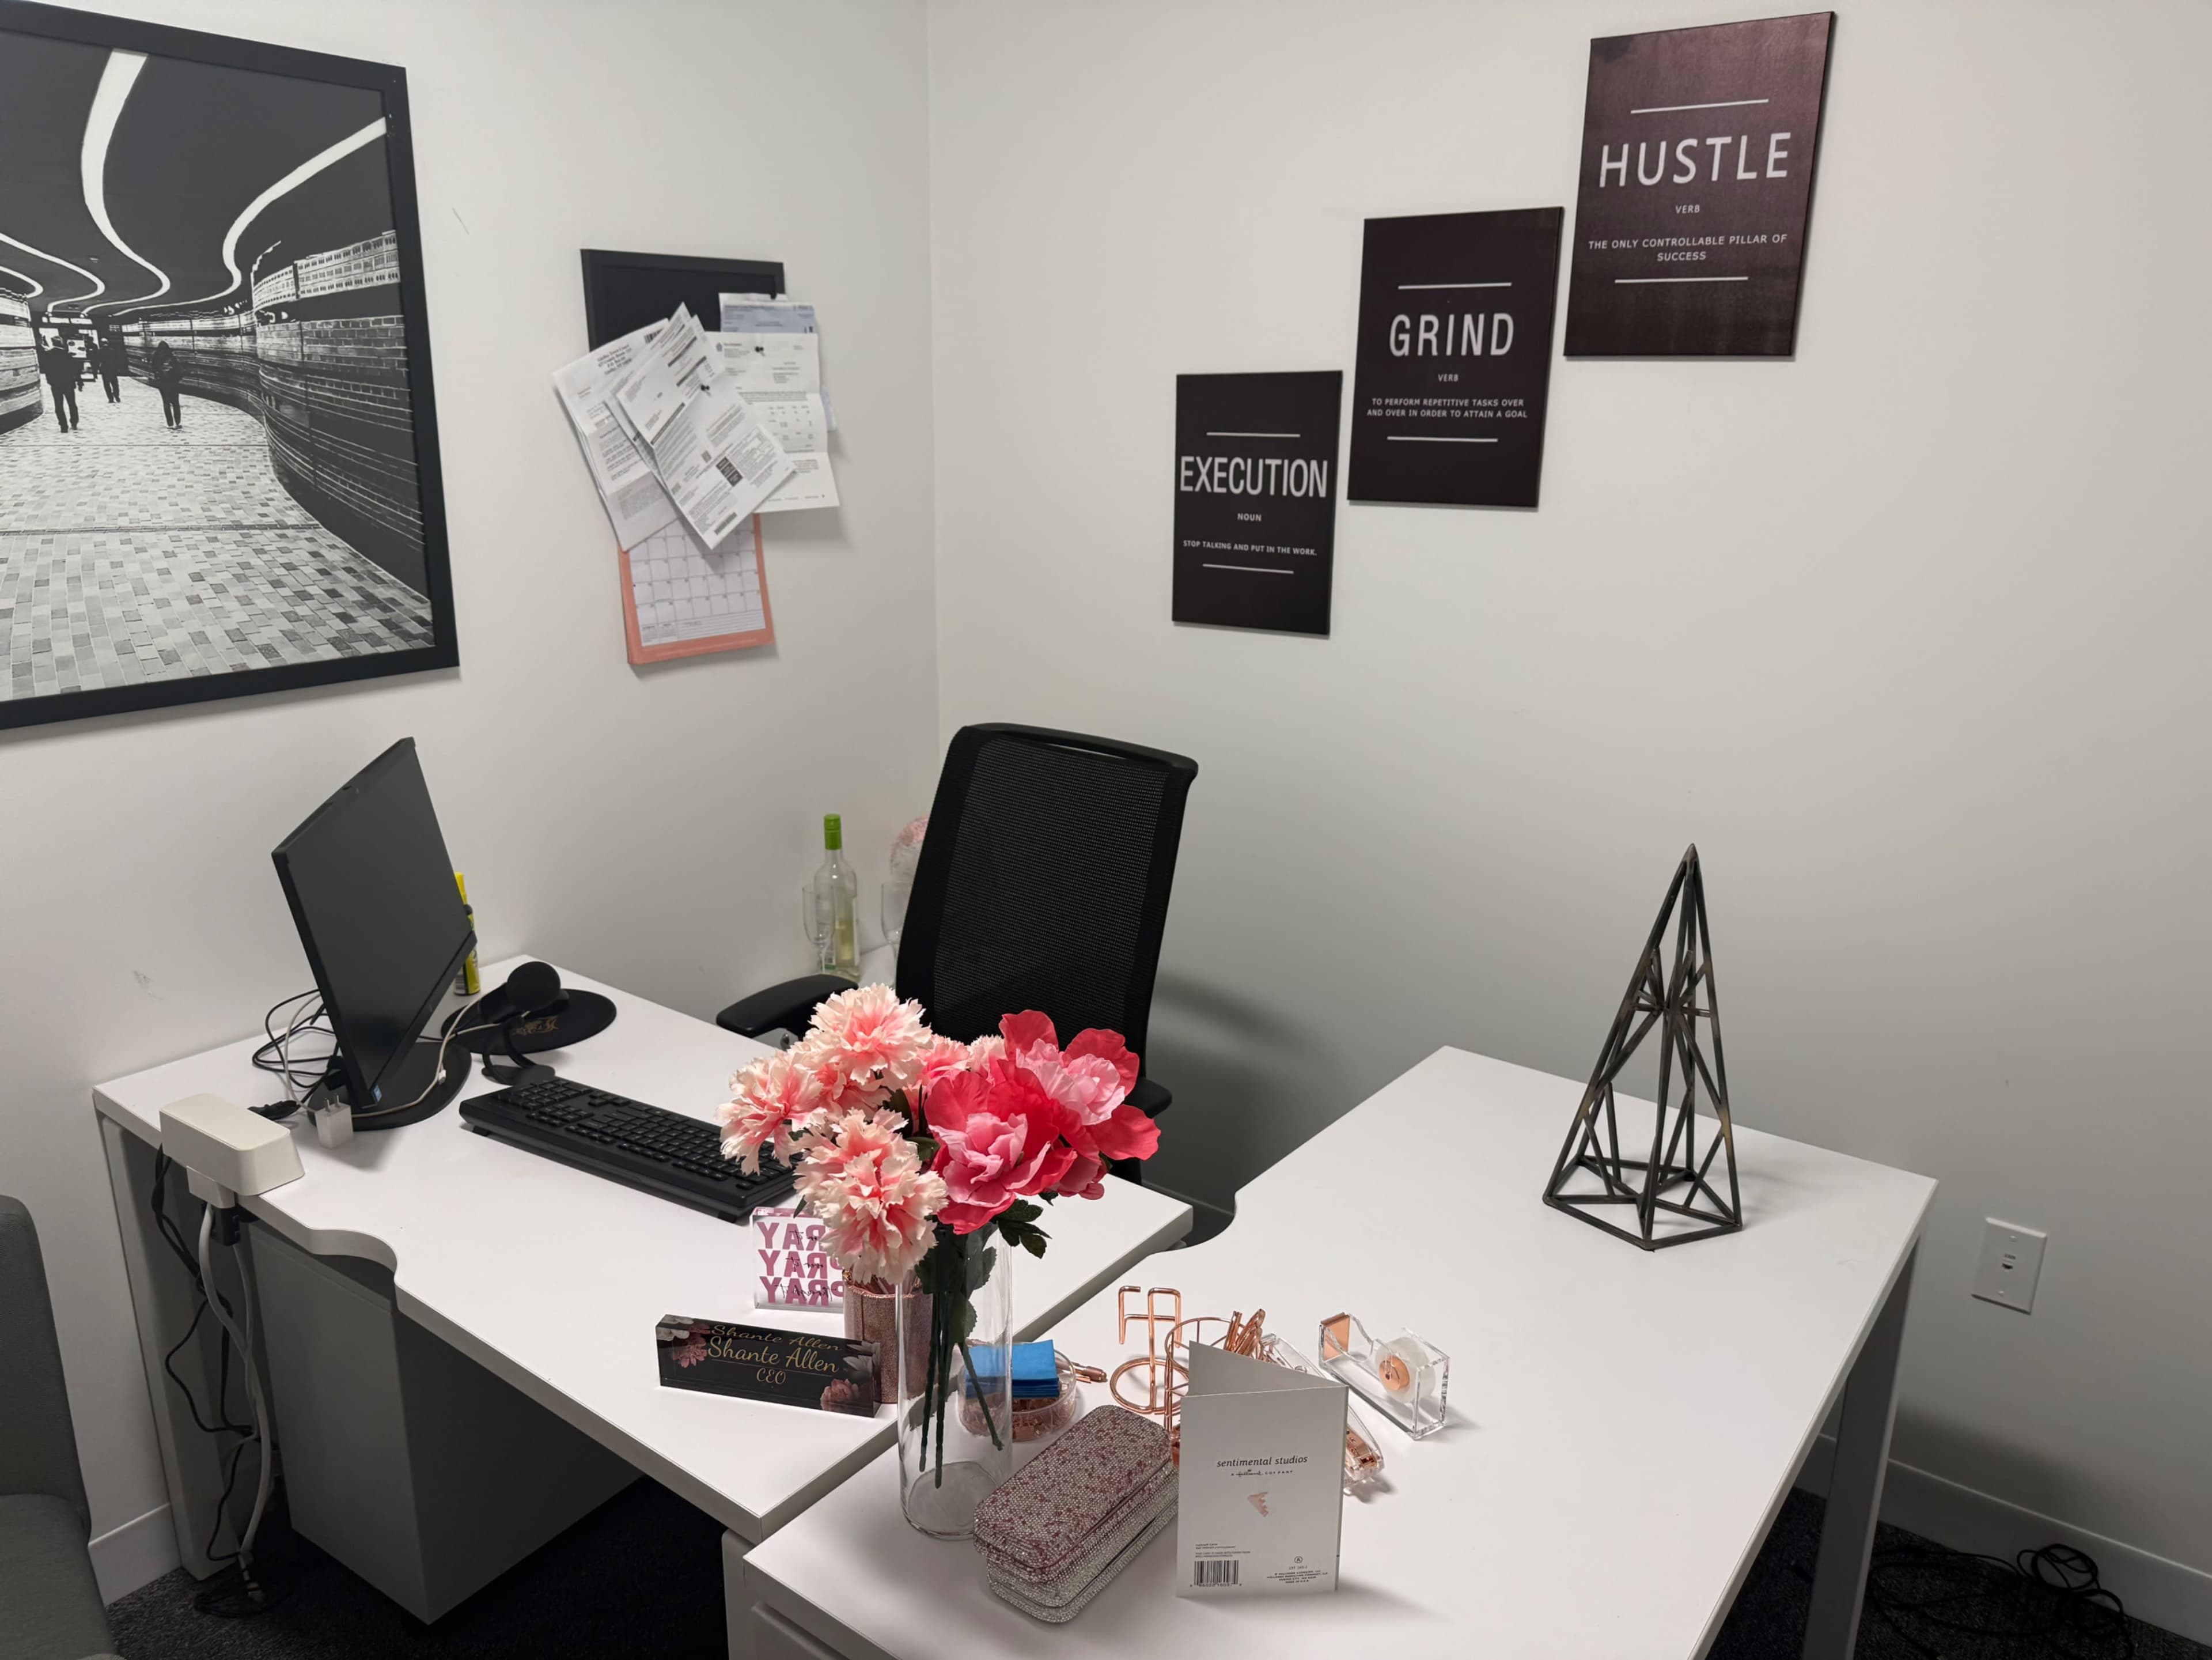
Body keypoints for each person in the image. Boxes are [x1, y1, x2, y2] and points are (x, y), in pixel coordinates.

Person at [37, 335, 77, 433]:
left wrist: (50, 381)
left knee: (59, 405)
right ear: (61, 343)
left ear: (53, 343)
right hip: (68, 383)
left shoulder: (48, 355)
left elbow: (46, 369)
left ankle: (63, 426)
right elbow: (73, 370)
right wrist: (77, 381)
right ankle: (74, 422)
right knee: (72, 404)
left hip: (56, 384)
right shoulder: (67, 354)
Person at [151, 340, 183, 428]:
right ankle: (178, 423)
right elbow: (179, 371)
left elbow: (153, 369)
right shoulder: (172, 357)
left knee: (166, 403)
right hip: (173, 383)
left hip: (162, 383)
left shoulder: (156, 358)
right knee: (176, 403)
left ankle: (170, 424)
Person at [99, 335, 123, 403]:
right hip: (113, 369)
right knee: (115, 384)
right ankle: (116, 394)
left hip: (105, 369)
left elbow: (98, 360)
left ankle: (110, 398)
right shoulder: (113, 351)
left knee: (107, 385)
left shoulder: (100, 351)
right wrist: (117, 368)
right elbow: (117, 360)